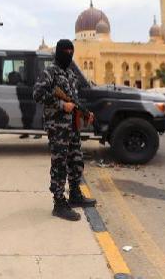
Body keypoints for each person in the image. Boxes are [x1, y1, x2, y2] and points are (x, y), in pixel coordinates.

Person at [33, 39, 96, 221]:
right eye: (66, 51)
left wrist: (85, 112)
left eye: (71, 51)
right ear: (59, 52)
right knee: (59, 164)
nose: (69, 55)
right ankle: (59, 203)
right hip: (58, 127)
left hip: (73, 127)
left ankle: (75, 194)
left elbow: (74, 100)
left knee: (76, 161)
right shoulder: (50, 71)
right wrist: (61, 104)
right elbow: (37, 94)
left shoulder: (70, 74)